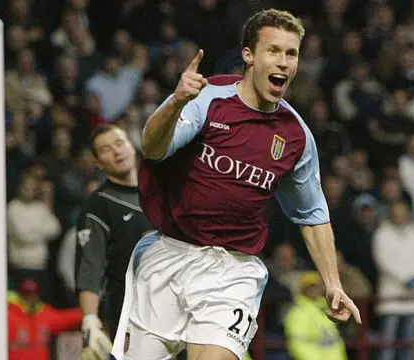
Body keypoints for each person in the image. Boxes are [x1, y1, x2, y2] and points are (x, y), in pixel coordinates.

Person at [111, 9, 361, 360]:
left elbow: (313, 214)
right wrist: (175, 103)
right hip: (169, 254)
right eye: (273, 50)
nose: (284, 62)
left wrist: (333, 283)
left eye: (291, 54)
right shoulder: (206, 97)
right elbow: (153, 148)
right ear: (249, 55)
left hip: (232, 271)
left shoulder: (295, 136)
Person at [74, 124, 154, 358]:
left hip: (179, 308)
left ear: (132, 146)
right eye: (106, 149)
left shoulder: (162, 192)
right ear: (98, 163)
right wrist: (90, 320)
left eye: (120, 143)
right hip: (132, 318)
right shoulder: (98, 205)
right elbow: (90, 264)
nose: (117, 151)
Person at [8, 278, 83, 360]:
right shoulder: (8, 315)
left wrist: (90, 315)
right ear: (20, 295)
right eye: (26, 294)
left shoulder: (44, 314)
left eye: (32, 294)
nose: (30, 298)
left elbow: (69, 320)